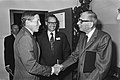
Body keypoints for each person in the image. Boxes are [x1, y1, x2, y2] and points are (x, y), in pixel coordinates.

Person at [56, 10, 112, 80]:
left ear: (90, 24)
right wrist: (61, 66)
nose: (77, 23)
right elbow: (75, 55)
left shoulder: (104, 38)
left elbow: (102, 68)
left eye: (81, 21)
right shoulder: (82, 36)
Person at [13, 11, 60, 80]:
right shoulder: (25, 38)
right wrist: (52, 70)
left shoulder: (26, 34)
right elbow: (31, 66)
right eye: (37, 21)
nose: (40, 24)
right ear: (27, 22)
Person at [36, 14, 71, 80]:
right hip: (45, 71)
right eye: (50, 23)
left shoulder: (62, 36)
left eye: (54, 23)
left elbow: (66, 51)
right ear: (46, 23)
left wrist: (63, 65)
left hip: (58, 70)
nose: (53, 25)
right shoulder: (39, 36)